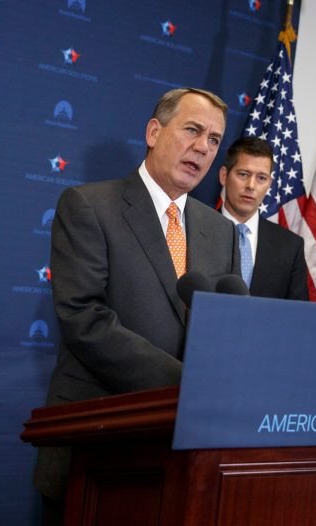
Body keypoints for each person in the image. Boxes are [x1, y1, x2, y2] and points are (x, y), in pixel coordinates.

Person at [35, 87, 239, 523]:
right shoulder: (90, 205)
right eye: (192, 130)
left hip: (181, 453)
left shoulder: (219, 231)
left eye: (214, 140)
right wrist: (186, 384)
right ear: (153, 131)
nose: (202, 148)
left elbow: (223, 329)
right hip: (99, 441)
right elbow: (84, 318)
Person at [218, 137, 308, 300]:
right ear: (224, 176)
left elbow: (297, 316)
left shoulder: (290, 246)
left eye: (261, 178)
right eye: (244, 174)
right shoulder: (194, 229)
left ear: (269, 183)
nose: (251, 186)